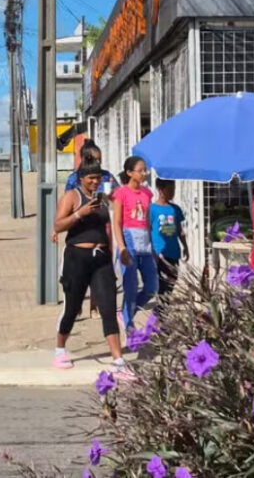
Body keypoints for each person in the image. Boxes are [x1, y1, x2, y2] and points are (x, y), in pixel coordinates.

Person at [52, 160, 126, 372]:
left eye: (98, 178)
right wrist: (79, 214)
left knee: (108, 306)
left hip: (101, 257)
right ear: (81, 178)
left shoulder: (101, 199)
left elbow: (108, 228)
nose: (95, 182)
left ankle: (118, 360)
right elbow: (57, 225)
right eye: (91, 178)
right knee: (73, 306)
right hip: (77, 257)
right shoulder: (72, 197)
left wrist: (113, 254)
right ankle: (59, 349)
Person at [112, 156, 158, 332]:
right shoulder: (121, 193)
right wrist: (122, 247)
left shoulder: (147, 194)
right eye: (141, 170)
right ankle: (128, 322)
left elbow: (147, 221)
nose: (144, 173)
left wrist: (152, 246)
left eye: (145, 170)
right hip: (128, 241)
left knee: (151, 287)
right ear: (130, 173)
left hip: (145, 243)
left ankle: (126, 312)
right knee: (130, 287)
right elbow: (117, 222)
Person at [150, 178, 189, 298]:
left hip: (174, 252)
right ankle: (159, 314)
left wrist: (185, 247)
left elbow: (179, 230)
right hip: (160, 253)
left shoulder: (175, 209)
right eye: (170, 189)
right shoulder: (152, 209)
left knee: (171, 283)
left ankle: (160, 313)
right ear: (160, 190)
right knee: (162, 285)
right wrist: (151, 251)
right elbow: (148, 230)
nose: (173, 192)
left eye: (174, 189)